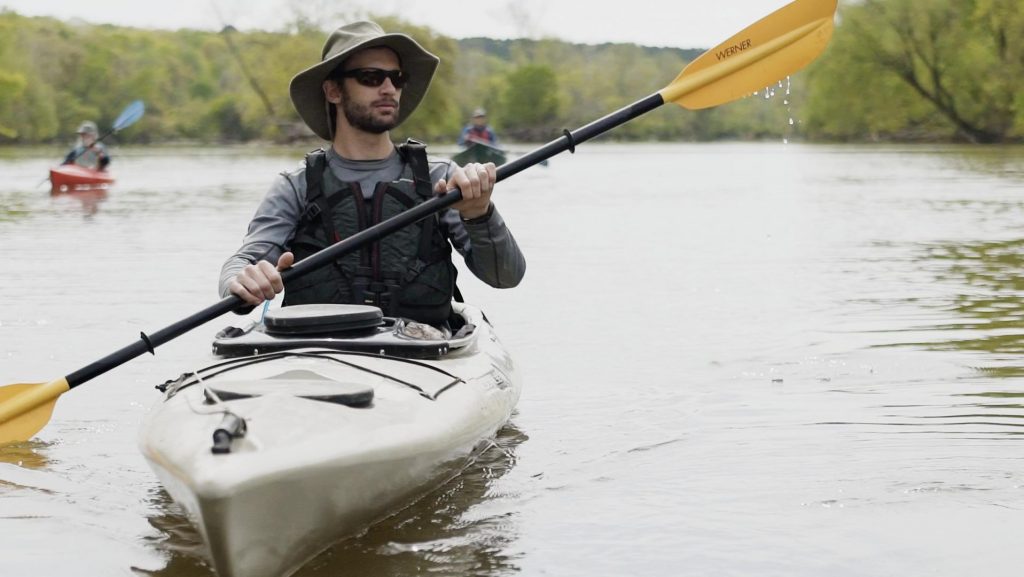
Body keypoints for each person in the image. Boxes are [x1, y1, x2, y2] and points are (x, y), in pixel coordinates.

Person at [219, 21, 526, 331]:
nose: (389, 88)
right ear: (333, 90)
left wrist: (479, 214)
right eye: (371, 77)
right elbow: (244, 261)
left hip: (425, 356)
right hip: (317, 357)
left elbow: (506, 277)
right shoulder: (295, 186)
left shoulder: (442, 179)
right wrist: (241, 282)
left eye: (397, 78)